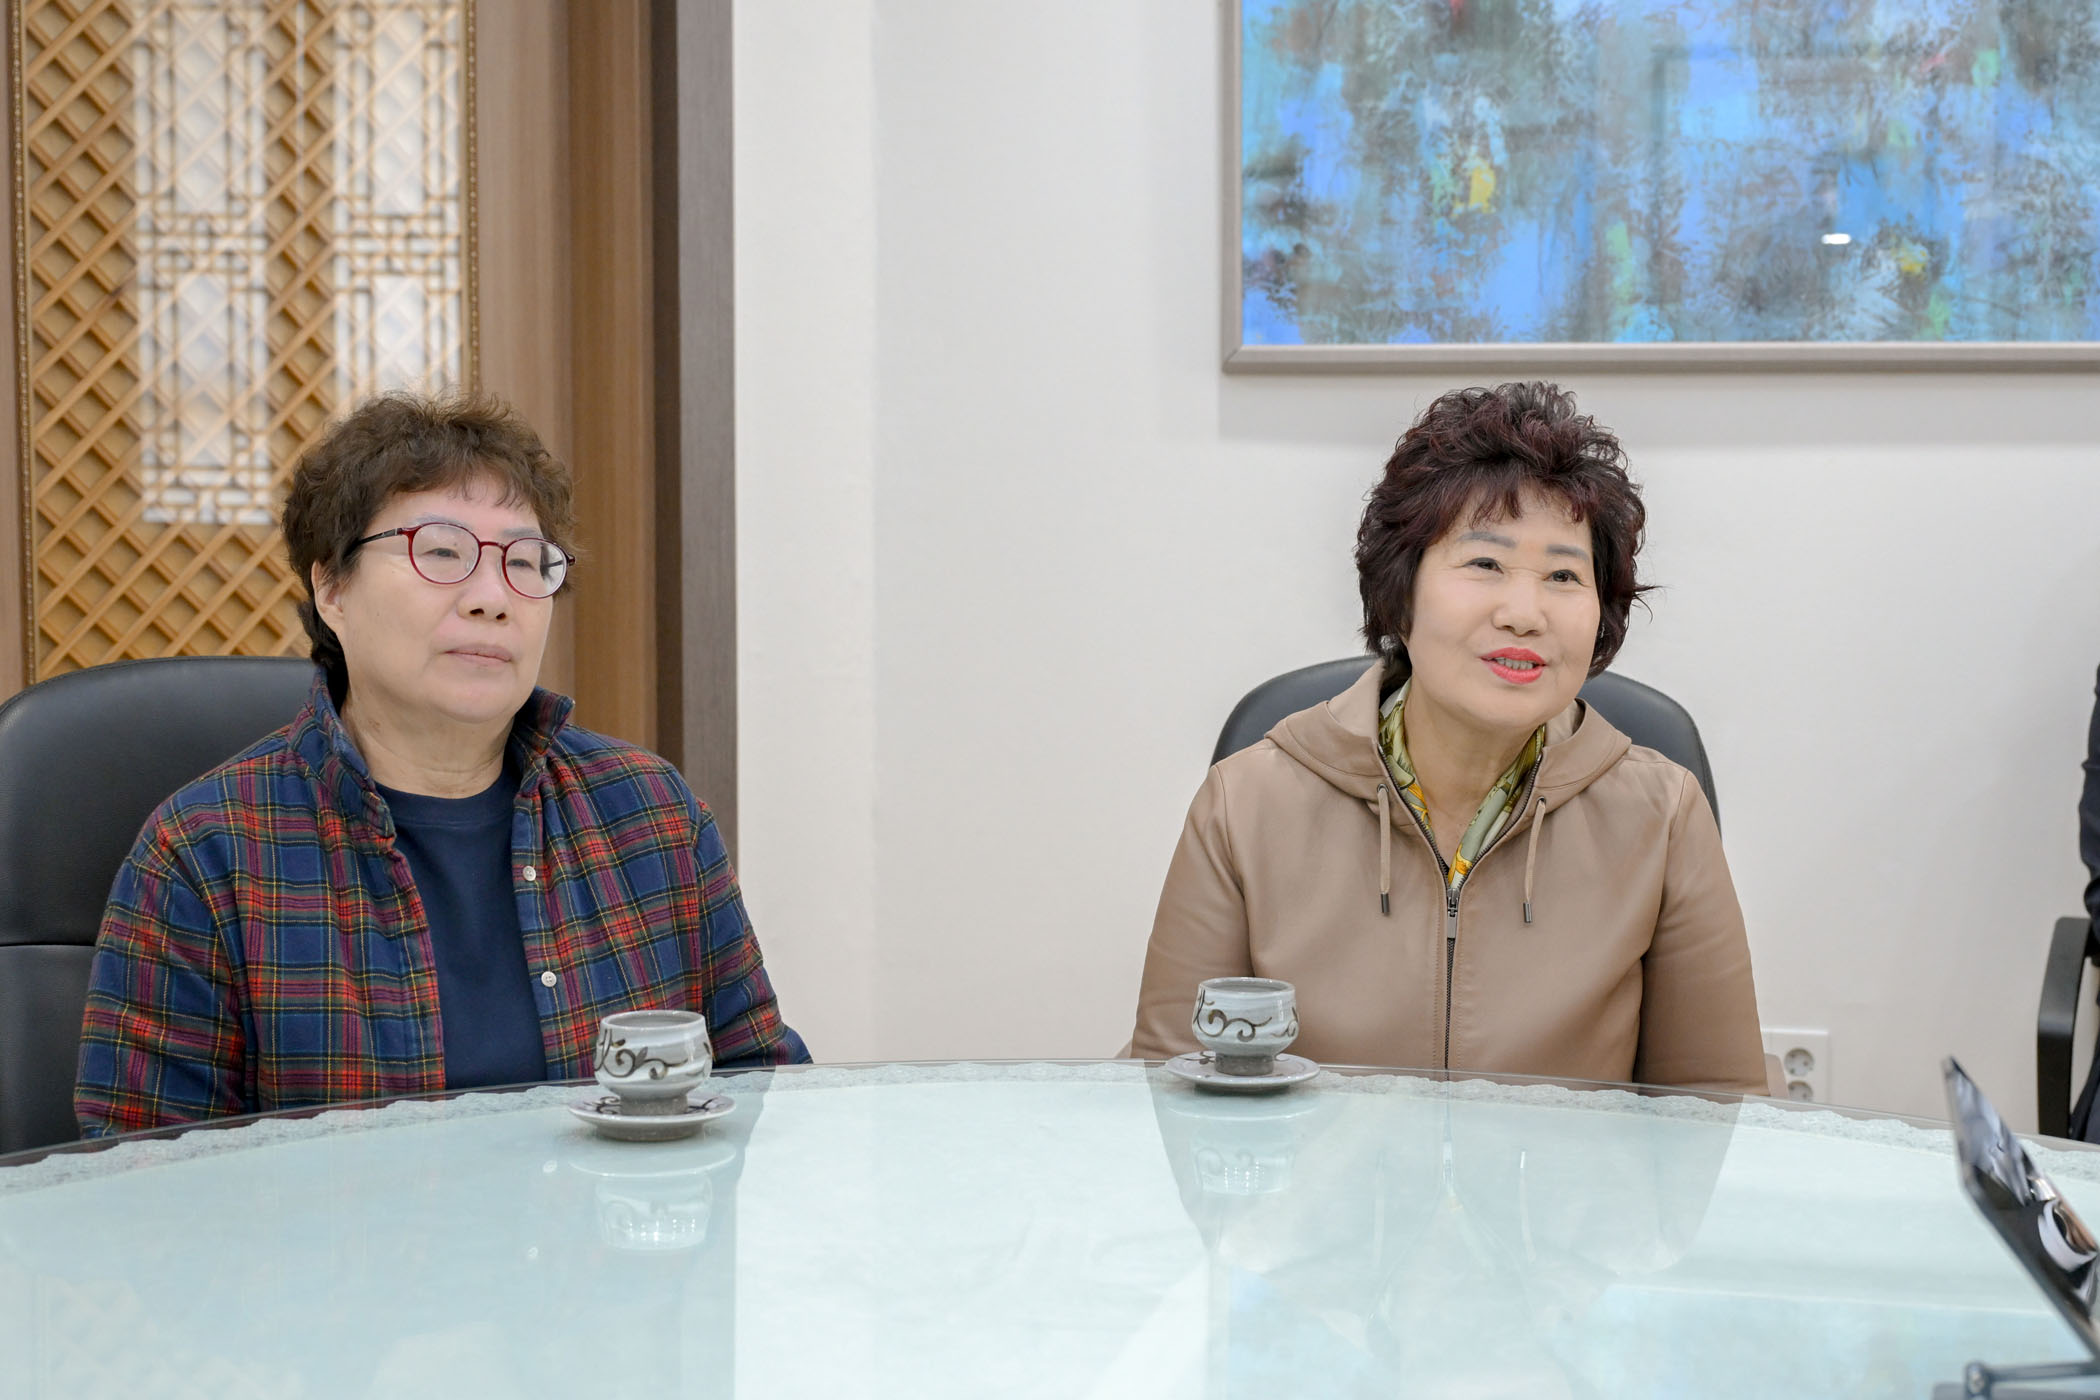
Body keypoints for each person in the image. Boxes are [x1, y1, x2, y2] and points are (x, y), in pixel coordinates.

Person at [76, 391, 808, 1137]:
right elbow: (141, 1174)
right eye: (442, 553)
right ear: (331, 588)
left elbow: (760, 1096)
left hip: (618, 1216)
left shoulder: (651, 814)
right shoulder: (206, 853)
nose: (493, 599)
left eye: (525, 562)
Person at [1128, 381, 1764, 1092]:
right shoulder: (1246, 802)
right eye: (1485, 564)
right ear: (1401, 592)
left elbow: (1715, 1107)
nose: (1525, 613)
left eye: (1563, 574)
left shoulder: (1663, 816)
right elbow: (1171, 1089)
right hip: (1308, 1173)